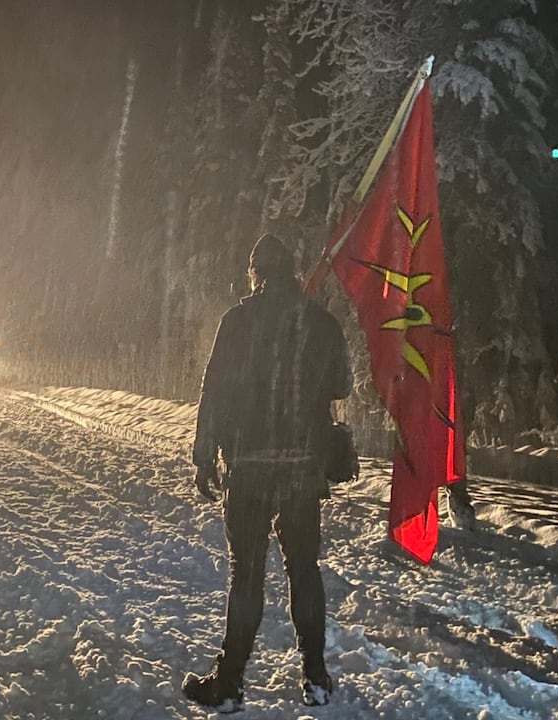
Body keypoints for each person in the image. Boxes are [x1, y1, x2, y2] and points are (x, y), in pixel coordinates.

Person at [183, 232, 352, 713]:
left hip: (250, 465)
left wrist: (204, 454)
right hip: (302, 467)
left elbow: (213, 389)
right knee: (304, 568)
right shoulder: (319, 322)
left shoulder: (237, 321)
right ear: (294, 271)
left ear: (256, 273)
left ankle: (231, 681)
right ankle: (316, 677)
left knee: (248, 575)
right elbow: (342, 384)